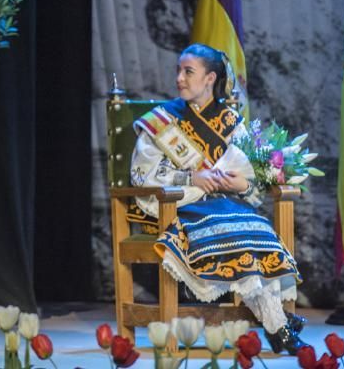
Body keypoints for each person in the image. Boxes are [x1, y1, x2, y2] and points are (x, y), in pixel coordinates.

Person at [130, 43, 306, 354]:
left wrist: (239, 183)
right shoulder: (161, 120)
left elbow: (250, 179)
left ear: (210, 78)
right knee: (231, 231)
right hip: (179, 203)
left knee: (255, 229)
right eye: (179, 71)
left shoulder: (231, 122)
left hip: (224, 204)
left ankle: (278, 325)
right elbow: (142, 175)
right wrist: (191, 177)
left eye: (188, 72)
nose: (180, 79)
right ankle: (280, 326)